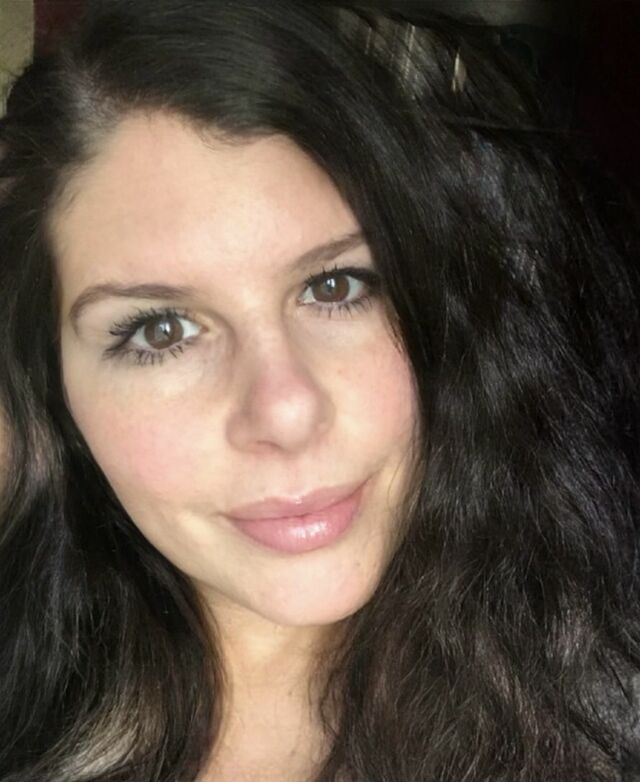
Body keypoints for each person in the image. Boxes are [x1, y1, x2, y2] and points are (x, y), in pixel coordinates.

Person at [0, 1, 638, 780]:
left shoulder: (606, 715)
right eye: (161, 331)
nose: (287, 410)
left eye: (336, 286)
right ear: (54, 389)